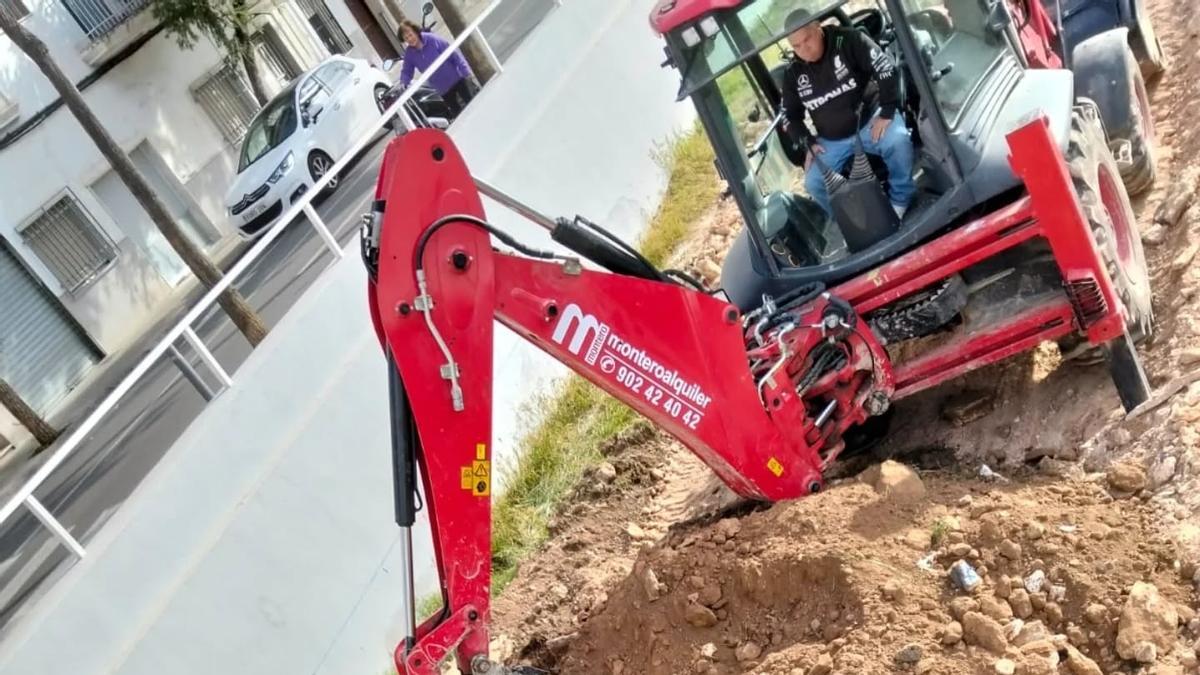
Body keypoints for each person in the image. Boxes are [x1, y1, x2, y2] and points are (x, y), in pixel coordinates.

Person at [780, 9, 915, 219]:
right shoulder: (793, 74)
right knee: (814, 182)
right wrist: (807, 142)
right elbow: (789, 115)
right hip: (831, 139)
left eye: (807, 40)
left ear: (818, 28)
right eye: (796, 46)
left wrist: (887, 111)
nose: (803, 49)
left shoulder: (849, 40)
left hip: (870, 119)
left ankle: (900, 200)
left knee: (897, 142)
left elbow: (885, 68)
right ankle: (849, 221)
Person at [397, 20, 477, 118]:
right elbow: (407, 71)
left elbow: (452, 53)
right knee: (459, 116)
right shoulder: (409, 54)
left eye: (410, 35)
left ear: (416, 32)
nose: (410, 39)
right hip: (443, 89)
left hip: (458, 79)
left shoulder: (432, 39)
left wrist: (465, 71)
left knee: (474, 105)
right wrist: (403, 83)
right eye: (406, 38)